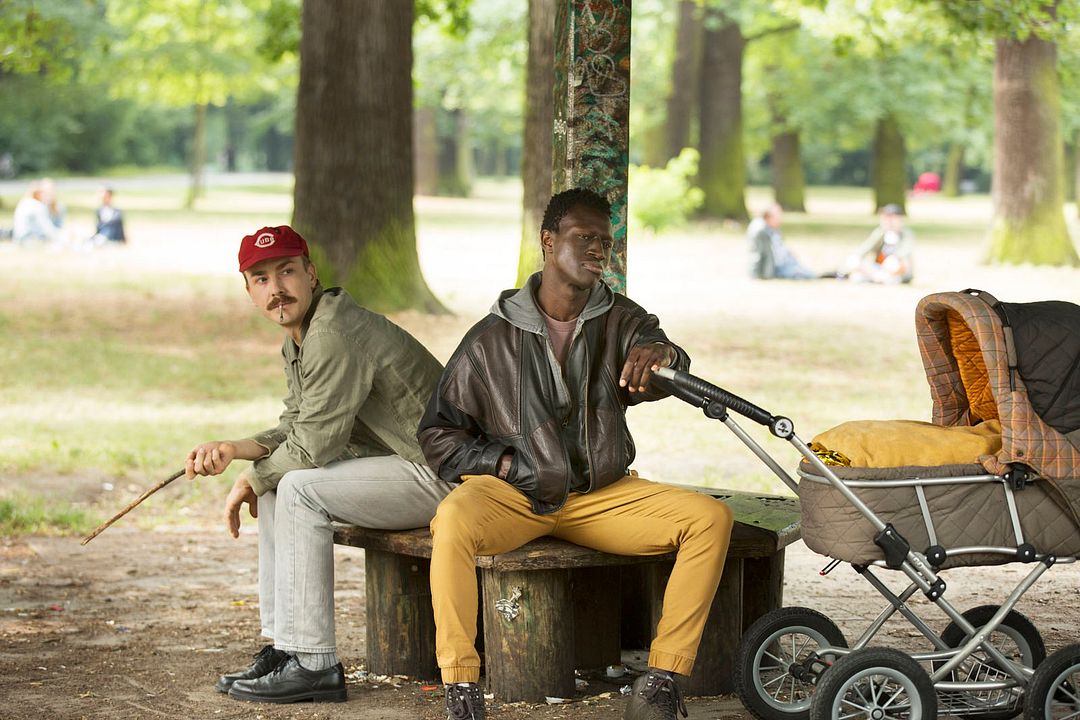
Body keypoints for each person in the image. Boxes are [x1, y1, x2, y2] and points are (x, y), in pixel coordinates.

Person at [418, 188, 734, 720]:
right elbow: (439, 434)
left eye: (604, 243)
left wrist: (666, 354)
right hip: (513, 497)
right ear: (548, 241)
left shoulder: (622, 319)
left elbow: (664, 357)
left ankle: (661, 679)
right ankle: (462, 685)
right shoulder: (489, 338)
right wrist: (502, 465)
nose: (597, 251)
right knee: (451, 520)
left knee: (710, 519)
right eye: (583, 238)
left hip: (600, 497)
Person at [184, 225, 454, 704]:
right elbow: (298, 422)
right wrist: (237, 450)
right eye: (261, 279)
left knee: (296, 487)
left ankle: (313, 664)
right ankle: (287, 647)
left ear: (310, 274)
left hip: (443, 475)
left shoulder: (333, 333)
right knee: (274, 484)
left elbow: (313, 445)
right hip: (405, 466)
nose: (276, 288)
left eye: (286, 271)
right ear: (249, 292)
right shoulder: (302, 335)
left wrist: (254, 474)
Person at [846, 203, 914, 284]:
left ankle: (879, 277)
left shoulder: (906, 234)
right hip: (879, 267)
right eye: (886, 217)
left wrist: (894, 257)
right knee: (854, 262)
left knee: (892, 263)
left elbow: (905, 250)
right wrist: (857, 256)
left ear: (899, 219)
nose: (889, 221)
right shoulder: (880, 232)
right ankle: (877, 277)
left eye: (892, 218)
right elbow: (866, 247)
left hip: (896, 267)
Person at [746, 203, 815, 280]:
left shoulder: (772, 229)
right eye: (778, 216)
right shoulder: (761, 231)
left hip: (782, 264)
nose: (780, 219)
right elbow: (767, 256)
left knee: (806, 272)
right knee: (806, 274)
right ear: (769, 217)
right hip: (772, 269)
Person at [12, 180, 59, 245]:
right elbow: (47, 228)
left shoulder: (25, 202)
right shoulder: (37, 206)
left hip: (18, 238)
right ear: (39, 194)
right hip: (28, 239)